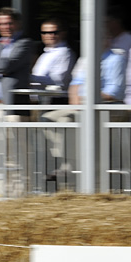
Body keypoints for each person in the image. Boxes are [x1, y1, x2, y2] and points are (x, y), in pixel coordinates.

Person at [42, 33, 129, 184]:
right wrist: (76, 102)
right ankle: (71, 160)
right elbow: (75, 84)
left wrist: (86, 101)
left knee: (66, 120)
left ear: (107, 39)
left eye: (100, 37)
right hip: (84, 105)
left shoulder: (116, 59)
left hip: (107, 106)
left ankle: (69, 167)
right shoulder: (88, 59)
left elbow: (113, 92)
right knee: (46, 118)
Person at [0, 7, 35, 114]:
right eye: (0, 24)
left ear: (18, 23)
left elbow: (7, 66)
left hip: (12, 103)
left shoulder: (25, 43)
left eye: (9, 23)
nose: (4, 27)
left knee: (14, 131)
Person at [30, 19, 73, 92]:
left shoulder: (65, 53)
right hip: (39, 99)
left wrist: (28, 77)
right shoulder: (45, 53)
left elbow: (58, 81)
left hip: (55, 100)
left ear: (63, 33)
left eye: (54, 32)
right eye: (45, 33)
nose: (50, 35)